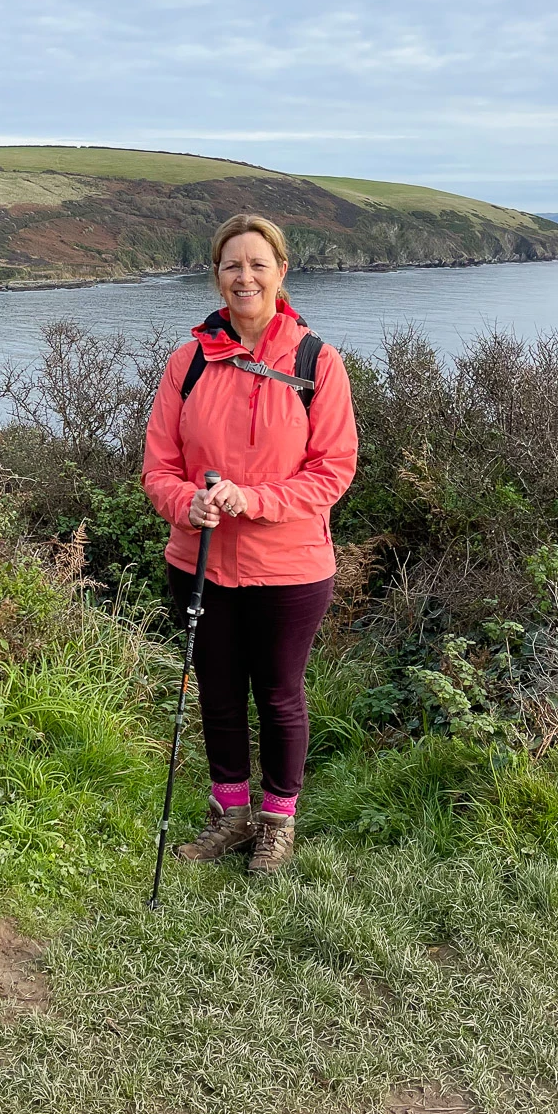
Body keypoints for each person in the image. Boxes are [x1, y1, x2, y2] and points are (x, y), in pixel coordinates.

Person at [141, 213, 358, 875]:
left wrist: (253, 500)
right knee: (217, 690)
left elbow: (334, 469)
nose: (245, 276)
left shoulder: (317, 361)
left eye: (258, 264)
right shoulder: (189, 361)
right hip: (200, 562)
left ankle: (277, 823)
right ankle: (229, 815)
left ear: (281, 272)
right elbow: (159, 467)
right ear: (217, 274)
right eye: (232, 265)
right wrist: (190, 502)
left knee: (280, 694)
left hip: (290, 567)